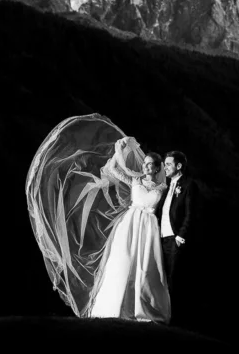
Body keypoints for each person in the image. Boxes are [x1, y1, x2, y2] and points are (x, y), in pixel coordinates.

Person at [25, 114, 171, 325]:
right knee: (123, 262)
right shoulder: (134, 179)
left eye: (150, 165)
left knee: (146, 267)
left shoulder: (162, 187)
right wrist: (119, 151)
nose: (146, 167)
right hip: (130, 223)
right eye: (145, 164)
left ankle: (145, 308)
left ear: (157, 168)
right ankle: (115, 306)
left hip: (148, 226)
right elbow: (114, 170)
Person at [156, 150, 199, 323]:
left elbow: (191, 213)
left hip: (176, 239)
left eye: (168, 164)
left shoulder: (189, 185)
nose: (164, 167)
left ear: (179, 166)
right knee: (163, 277)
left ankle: (174, 319)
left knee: (175, 279)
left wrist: (181, 236)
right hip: (162, 238)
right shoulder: (167, 186)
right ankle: (163, 314)